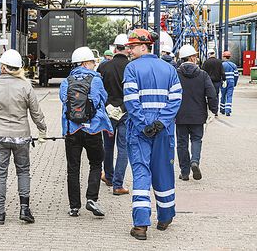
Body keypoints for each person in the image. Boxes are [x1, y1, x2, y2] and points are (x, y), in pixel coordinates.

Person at [123, 29, 182, 240]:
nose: (128, 50)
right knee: (163, 170)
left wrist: (142, 125)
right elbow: (175, 100)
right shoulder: (169, 69)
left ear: (143, 46)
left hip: (140, 132)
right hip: (163, 130)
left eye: (132, 47)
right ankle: (165, 217)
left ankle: (140, 225)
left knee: (141, 172)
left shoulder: (131, 68)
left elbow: (131, 99)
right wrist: (160, 123)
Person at [0, 49, 47, 225]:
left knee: (0, 174)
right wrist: (42, 130)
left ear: (2, 67)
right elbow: (36, 112)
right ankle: (24, 209)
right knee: (23, 171)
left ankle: (1, 213)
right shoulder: (26, 87)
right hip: (21, 137)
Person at [60, 46, 113, 218]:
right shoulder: (96, 80)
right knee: (96, 163)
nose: (93, 65)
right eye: (91, 62)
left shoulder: (66, 81)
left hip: (72, 130)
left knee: (73, 168)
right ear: (84, 62)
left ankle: (74, 206)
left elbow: (63, 100)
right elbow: (101, 99)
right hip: (92, 130)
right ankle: (91, 198)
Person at [175, 45, 218, 182]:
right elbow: (211, 94)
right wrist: (214, 110)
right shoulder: (202, 74)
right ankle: (195, 161)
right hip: (198, 115)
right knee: (196, 139)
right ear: (192, 58)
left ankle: (185, 172)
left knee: (181, 143)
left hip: (180, 115)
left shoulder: (175, 74)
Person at [97, 34, 130, 195]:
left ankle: (108, 176)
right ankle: (118, 185)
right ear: (128, 48)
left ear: (115, 48)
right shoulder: (132, 67)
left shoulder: (104, 67)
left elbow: (98, 90)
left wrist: (106, 106)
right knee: (123, 148)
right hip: (126, 112)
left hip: (108, 111)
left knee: (108, 146)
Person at [220, 51, 239, 116]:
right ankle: (228, 110)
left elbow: (220, 75)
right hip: (231, 82)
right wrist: (235, 83)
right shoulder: (233, 65)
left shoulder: (222, 65)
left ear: (224, 57)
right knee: (229, 96)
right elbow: (236, 75)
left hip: (224, 82)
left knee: (223, 95)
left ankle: (222, 109)